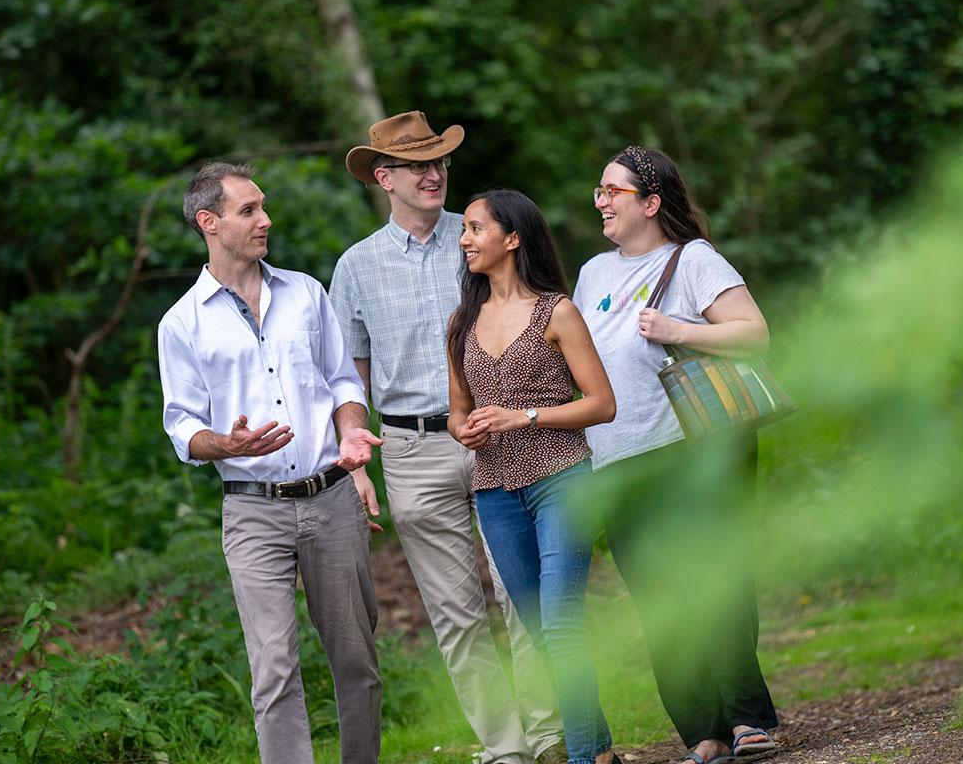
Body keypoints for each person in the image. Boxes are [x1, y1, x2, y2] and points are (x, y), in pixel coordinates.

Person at [330, 111, 565, 764]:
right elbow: (349, 377)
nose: (433, 174)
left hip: (502, 436)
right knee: (457, 617)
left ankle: (549, 737)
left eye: (439, 162)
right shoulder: (354, 269)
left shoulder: (486, 236)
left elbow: (542, 323)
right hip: (412, 451)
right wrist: (354, 458)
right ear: (385, 178)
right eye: (416, 166)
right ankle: (505, 748)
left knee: (523, 598)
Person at [158, 162, 383, 764]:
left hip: (332, 497)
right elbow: (182, 424)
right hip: (253, 512)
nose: (266, 220)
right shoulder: (181, 322)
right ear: (209, 223)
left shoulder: (306, 292)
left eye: (263, 207)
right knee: (274, 666)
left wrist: (354, 434)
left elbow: (343, 382)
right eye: (249, 210)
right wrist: (224, 445)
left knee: (357, 656)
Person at [572, 146, 780, 763]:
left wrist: (679, 330)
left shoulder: (693, 260)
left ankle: (748, 719)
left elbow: (754, 333)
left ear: (652, 203)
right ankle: (702, 732)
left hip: (695, 451)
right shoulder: (591, 274)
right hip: (617, 460)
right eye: (599, 190)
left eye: (614, 191)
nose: (601, 200)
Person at [446, 189, 620, 764]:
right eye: (465, 230)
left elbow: (601, 403)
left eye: (476, 228)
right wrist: (463, 430)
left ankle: (580, 757)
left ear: (513, 238)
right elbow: (457, 410)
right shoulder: (462, 322)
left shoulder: (557, 311)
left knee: (563, 622)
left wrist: (526, 415)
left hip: (561, 478)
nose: (465, 238)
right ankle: (597, 750)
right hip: (494, 491)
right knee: (542, 632)